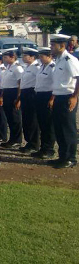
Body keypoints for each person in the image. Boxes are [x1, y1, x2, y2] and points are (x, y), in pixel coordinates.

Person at [47, 34, 79, 169]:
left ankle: (70, 158)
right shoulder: (58, 60)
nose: (51, 47)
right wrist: (53, 97)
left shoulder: (69, 60)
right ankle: (62, 156)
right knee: (59, 128)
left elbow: (78, 78)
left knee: (68, 129)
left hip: (67, 97)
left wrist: (75, 97)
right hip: (58, 97)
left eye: (53, 45)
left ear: (62, 46)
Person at [32, 47, 56, 160]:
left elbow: (56, 84)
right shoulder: (42, 67)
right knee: (41, 123)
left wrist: (52, 98)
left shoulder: (53, 68)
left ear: (50, 56)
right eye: (40, 57)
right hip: (39, 96)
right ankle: (43, 148)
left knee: (48, 124)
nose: (40, 59)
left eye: (43, 57)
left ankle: (49, 149)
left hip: (48, 96)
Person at [0, 49, 24, 149]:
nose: (4, 59)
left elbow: (20, 83)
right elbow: (5, 83)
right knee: (9, 117)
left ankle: (17, 140)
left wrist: (18, 98)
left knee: (15, 118)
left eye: (5, 57)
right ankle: (12, 139)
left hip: (14, 93)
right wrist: (2, 95)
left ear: (12, 57)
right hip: (7, 92)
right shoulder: (8, 67)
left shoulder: (17, 68)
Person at [18, 48, 41, 154]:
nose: (23, 57)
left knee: (32, 120)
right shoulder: (27, 67)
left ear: (32, 57)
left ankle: (34, 143)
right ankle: (29, 142)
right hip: (25, 93)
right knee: (26, 119)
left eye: (25, 55)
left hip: (31, 93)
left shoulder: (36, 67)